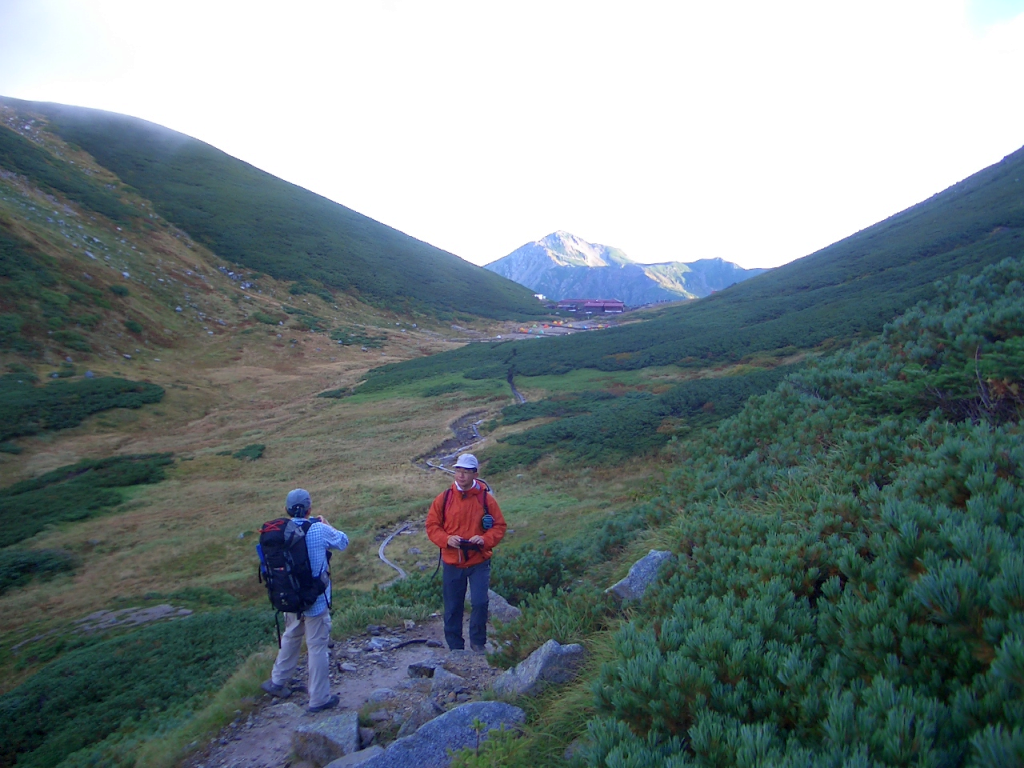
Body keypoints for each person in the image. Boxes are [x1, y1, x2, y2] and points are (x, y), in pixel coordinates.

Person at [260, 488, 348, 712]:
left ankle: (278, 681)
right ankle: (319, 698)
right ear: (309, 508)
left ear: (287, 509)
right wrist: (328, 525)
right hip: (315, 599)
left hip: (291, 597)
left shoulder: (280, 533)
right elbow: (343, 542)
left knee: (291, 635)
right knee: (317, 647)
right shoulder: (318, 529)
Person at [425, 453, 507, 651]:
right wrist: (446, 539)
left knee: (479, 603)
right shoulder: (443, 499)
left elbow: (499, 526)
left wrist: (485, 539)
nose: (460, 475)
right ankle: (455, 647)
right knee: (453, 607)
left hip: (479, 560)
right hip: (452, 561)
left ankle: (478, 644)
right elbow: (432, 525)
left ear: (475, 474)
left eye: (466, 472)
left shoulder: (487, 500)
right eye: (458, 470)